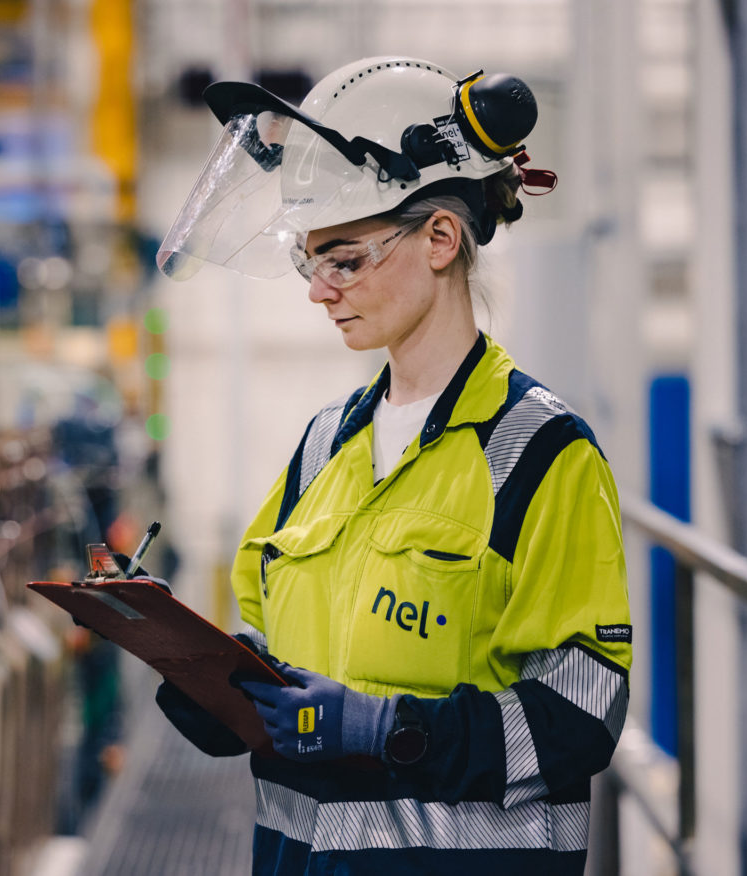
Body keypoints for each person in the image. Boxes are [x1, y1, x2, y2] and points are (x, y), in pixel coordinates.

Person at [154, 56, 631, 876]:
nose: (319, 291)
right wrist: (215, 684)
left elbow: (583, 713)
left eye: (344, 260)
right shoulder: (320, 449)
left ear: (441, 238)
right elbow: (267, 631)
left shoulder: (542, 455)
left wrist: (393, 731)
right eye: (311, 263)